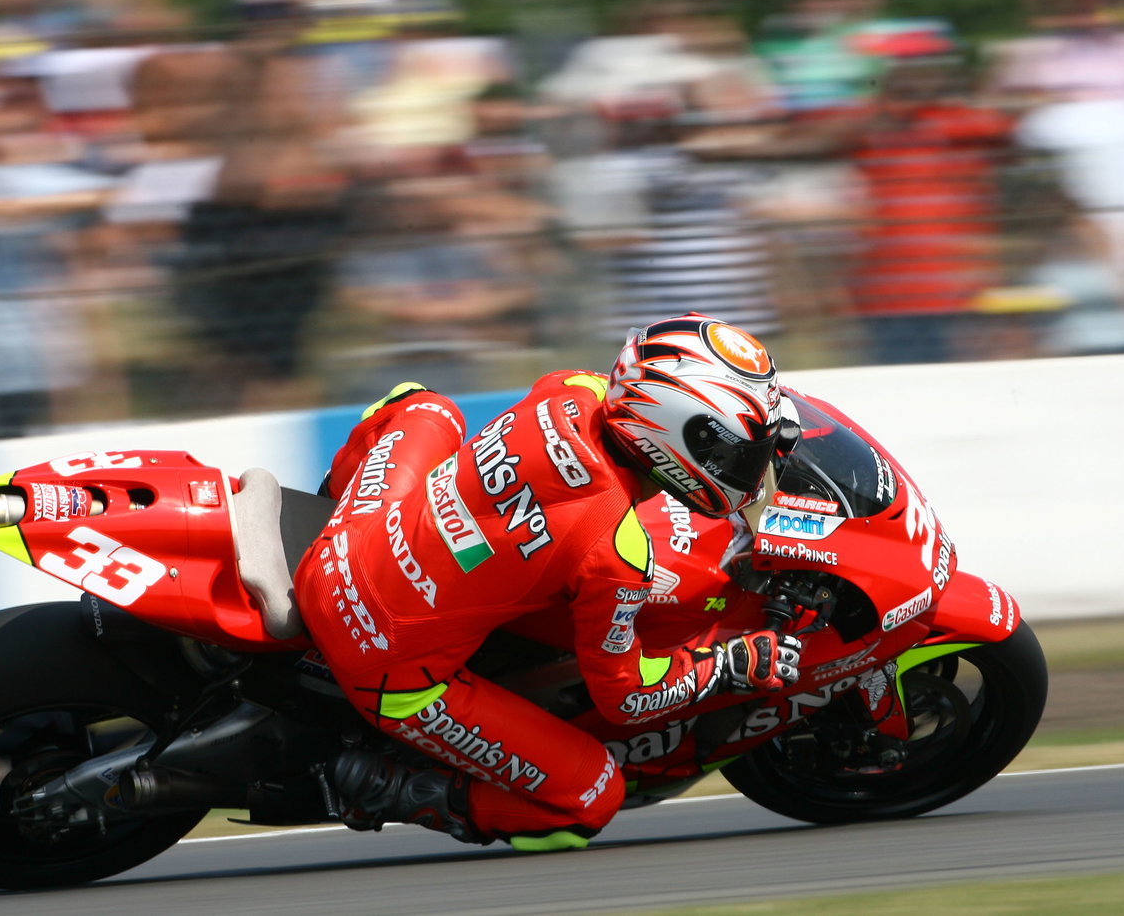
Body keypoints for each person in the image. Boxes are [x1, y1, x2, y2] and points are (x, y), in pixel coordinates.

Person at [297, 312, 803, 849]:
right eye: (740, 453)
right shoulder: (617, 553)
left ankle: (322, 503)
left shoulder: (571, 387)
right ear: (678, 438)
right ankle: (382, 788)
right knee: (593, 795)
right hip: (386, 664)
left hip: (342, 547)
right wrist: (728, 664)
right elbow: (627, 696)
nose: (748, 467)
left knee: (423, 405)